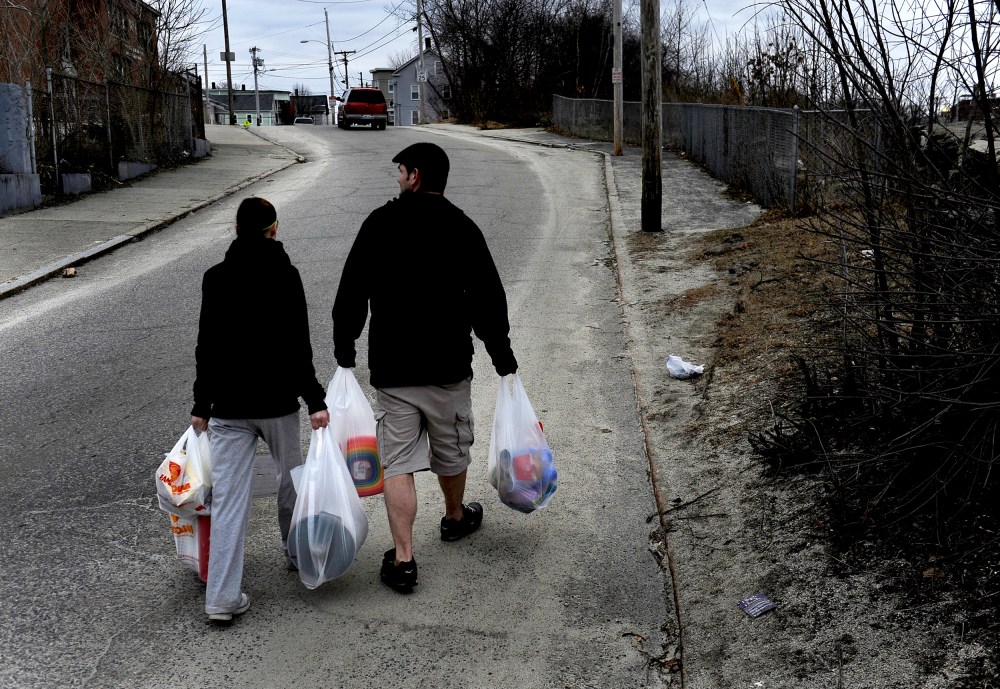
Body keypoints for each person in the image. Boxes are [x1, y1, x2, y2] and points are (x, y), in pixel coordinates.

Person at [332, 142, 518, 593]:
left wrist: (345, 348)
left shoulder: (379, 224)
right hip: (448, 366)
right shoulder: (462, 228)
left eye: (400, 171)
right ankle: (454, 518)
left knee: (397, 462)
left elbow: (352, 289)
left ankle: (404, 560)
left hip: (394, 371)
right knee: (451, 449)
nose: (397, 179)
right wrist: (502, 357)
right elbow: (488, 299)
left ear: (415, 176)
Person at [191, 196, 330, 621]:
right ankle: (295, 555)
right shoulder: (286, 275)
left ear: (237, 230)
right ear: (273, 229)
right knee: (291, 483)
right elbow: (297, 344)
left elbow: (207, 346)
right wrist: (315, 399)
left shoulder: (215, 277)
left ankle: (221, 598)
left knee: (230, 500)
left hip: (228, 407)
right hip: (277, 403)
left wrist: (201, 403)